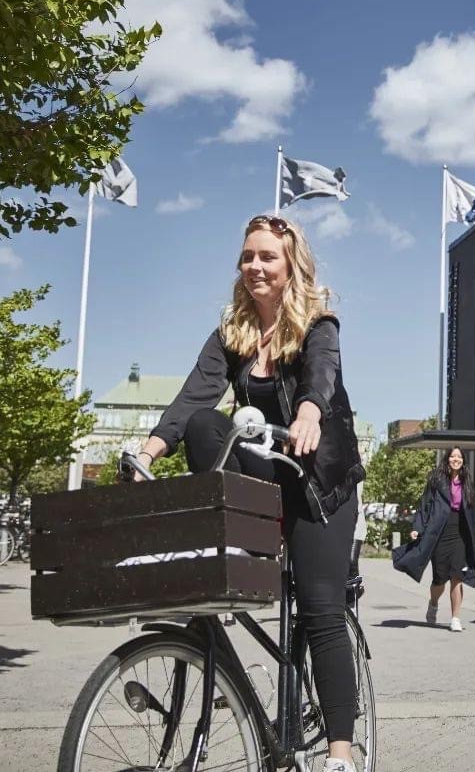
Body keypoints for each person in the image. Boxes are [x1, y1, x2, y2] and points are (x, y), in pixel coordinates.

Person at [133, 214, 365, 772]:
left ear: (291, 266)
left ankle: (340, 753)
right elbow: (194, 397)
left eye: (267, 257)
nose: (255, 266)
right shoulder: (231, 334)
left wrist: (309, 413)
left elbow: (321, 374)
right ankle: (234, 548)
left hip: (318, 489)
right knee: (204, 426)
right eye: (248, 256)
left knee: (320, 609)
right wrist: (147, 453)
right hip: (267, 477)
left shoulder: (317, 323)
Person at [393, 447, 475, 632]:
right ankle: (433, 603)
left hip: (461, 532)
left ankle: (455, 618)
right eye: (453, 456)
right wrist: (417, 527)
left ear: (463, 461)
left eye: (459, 457)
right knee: (440, 579)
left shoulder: (467, 482)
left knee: (457, 576)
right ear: (447, 459)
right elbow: (425, 504)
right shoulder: (437, 480)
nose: (456, 459)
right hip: (439, 531)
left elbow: (473, 511)